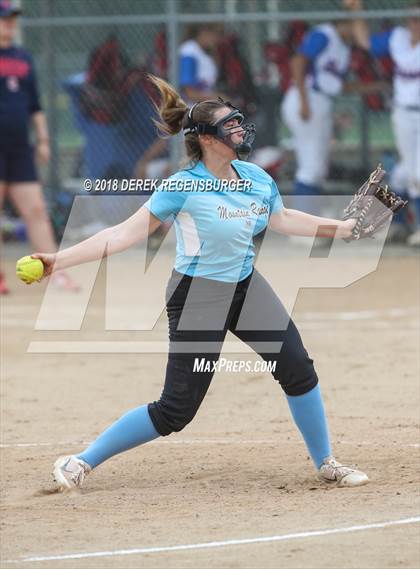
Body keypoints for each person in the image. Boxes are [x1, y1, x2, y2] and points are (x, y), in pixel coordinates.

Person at [29, 75, 369, 491]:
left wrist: (341, 228)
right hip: (197, 296)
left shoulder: (257, 178)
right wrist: (56, 261)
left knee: (297, 368)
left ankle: (326, 462)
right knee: (176, 411)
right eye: (230, 125)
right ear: (207, 139)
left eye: (239, 121)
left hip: (245, 286)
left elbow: (282, 218)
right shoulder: (182, 187)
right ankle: (81, 461)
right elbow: (121, 234)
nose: (240, 130)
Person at [0, 0, 78, 293]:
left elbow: (35, 105)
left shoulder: (22, 57)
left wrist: (43, 139)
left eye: (12, 18)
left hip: (20, 146)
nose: (9, 23)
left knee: (36, 209)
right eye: (4, 18)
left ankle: (56, 272)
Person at [281, 4, 381, 216]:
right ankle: (303, 223)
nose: (358, 32)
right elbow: (297, 62)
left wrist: (376, 86)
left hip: (318, 101)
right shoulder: (325, 34)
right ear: (344, 23)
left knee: (315, 165)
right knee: (312, 166)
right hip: (307, 98)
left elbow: (337, 86)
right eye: (354, 26)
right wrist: (304, 101)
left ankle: (307, 219)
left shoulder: (343, 47)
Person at [346, 0, 420, 246]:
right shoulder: (398, 37)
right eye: (412, 18)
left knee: (417, 171)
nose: (415, 24)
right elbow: (364, 41)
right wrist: (356, 10)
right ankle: (396, 224)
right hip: (402, 113)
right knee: (404, 173)